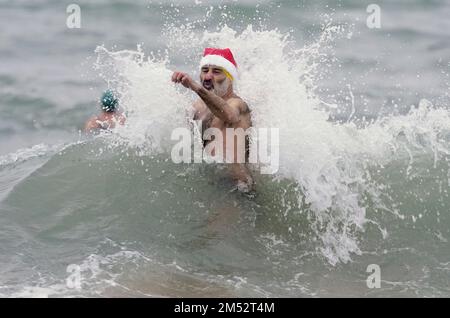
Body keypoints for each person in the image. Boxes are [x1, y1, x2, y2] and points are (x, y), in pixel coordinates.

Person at [171, 48, 253, 192]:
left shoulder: (238, 104)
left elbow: (229, 115)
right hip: (210, 182)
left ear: (230, 77)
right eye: (205, 70)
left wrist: (195, 88)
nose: (208, 77)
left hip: (238, 186)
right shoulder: (197, 108)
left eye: (216, 72)